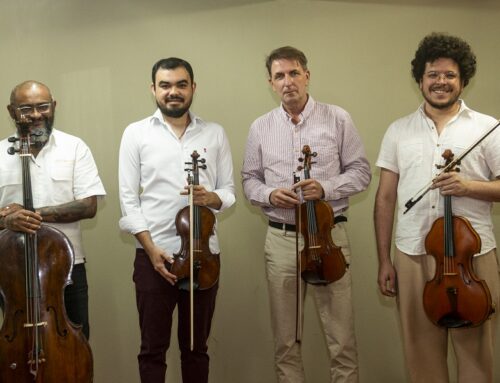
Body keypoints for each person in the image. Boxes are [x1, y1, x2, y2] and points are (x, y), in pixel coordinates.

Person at [374, 32, 500, 383]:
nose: (440, 82)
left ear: (463, 81)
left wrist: (468, 186)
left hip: (471, 257)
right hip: (412, 252)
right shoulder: (398, 130)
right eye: (433, 75)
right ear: (420, 79)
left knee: (476, 356)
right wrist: (384, 259)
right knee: (421, 358)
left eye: (449, 75)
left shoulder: (488, 128)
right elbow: (385, 198)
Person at [242, 46, 371, 383]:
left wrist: (325, 189)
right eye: (280, 76)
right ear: (270, 83)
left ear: (307, 75)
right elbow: (248, 180)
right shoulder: (260, 127)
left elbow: (361, 172)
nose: (288, 82)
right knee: (287, 341)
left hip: (330, 238)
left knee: (341, 340)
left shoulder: (337, 118)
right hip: (282, 238)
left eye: (294, 73)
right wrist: (270, 193)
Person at [118, 57, 235, 383]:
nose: (174, 92)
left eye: (181, 85)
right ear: (153, 89)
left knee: (196, 348)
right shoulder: (136, 133)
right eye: (165, 85)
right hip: (153, 256)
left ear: (193, 88)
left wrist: (212, 198)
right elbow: (128, 200)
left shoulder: (214, 133)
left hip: (203, 258)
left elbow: (229, 192)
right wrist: (150, 249)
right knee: (152, 350)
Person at [0, 80, 106, 339]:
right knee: (18, 343)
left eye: (43, 107)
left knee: (74, 343)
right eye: (26, 109)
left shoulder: (75, 147)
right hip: (11, 268)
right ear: (12, 111)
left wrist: (29, 213)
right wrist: (7, 220)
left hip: (67, 267)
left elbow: (88, 205)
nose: (36, 115)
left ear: (54, 106)